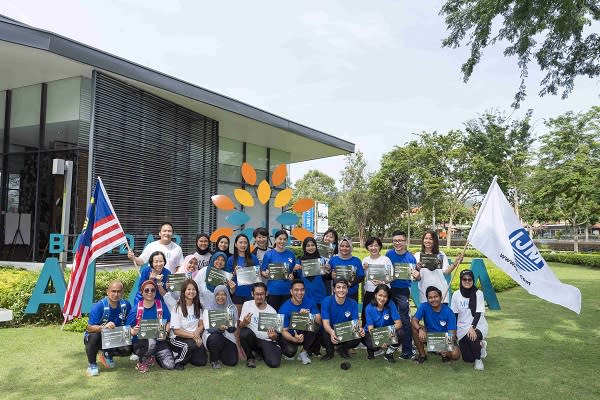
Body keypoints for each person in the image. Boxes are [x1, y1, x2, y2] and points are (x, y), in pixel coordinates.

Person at [84, 281, 132, 376]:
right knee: (93, 336)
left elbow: (130, 322)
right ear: (107, 292)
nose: (116, 294)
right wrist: (103, 327)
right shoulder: (99, 306)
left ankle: (107, 353)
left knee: (128, 349)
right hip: (98, 338)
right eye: (113, 291)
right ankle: (92, 364)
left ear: (122, 293)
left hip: (115, 337)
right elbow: (89, 328)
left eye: (119, 291)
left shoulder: (126, 305)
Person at [127, 280, 175, 372]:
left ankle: (153, 356)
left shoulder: (160, 305)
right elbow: (128, 329)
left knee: (170, 365)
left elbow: (168, 322)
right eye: (146, 290)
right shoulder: (137, 308)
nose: (150, 292)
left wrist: (166, 331)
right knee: (151, 341)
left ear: (155, 292)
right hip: (142, 343)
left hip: (159, 341)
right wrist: (133, 331)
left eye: (153, 290)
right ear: (142, 292)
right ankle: (141, 362)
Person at [385, 230, 417, 360]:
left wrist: (417, 274)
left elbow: (415, 276)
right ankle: (389, 346)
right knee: (388, 318)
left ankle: (407, 350)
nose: (397, 243)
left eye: (400, 240)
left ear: (405, 241)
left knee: (404, 320)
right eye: (395, 241)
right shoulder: (388, 254)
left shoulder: (411, 258)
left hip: (403, 291)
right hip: (388, 290)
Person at [411, 286, 461, 364]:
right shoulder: (424, 306)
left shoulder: (448, 311)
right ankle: (422, 355)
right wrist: (420, 329)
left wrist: (444, 347)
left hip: (444, 338)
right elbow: (414, 320)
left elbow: (452, 333)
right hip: (430, 336)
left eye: (435, 297)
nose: (433, 299)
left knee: (455, 355)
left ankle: (445, 355)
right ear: (427, 299)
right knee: (414, 327)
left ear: (440, 298)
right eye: (430, 297)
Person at [451, 270, 488, 370]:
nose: (467, 281)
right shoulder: (456, 294)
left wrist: (472, 327)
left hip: (478, 325)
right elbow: (454, 314)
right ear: (461, 280)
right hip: (462, 327)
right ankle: (481, 345)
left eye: (470, 279)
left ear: (473, 280)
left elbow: (478, 313)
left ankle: (478, 360)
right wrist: (453, 331)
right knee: (467, 359)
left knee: (471, 336)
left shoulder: (478, 293)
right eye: (464, 279)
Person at [320, 278, 365, 361]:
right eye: (338, 287)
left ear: (347, 290)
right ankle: (330, 352)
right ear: (334, 289)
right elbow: (325, 323)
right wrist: (332, 332)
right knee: (322, 330)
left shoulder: (353, 303)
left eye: (344, 287)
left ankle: (343, 349)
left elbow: (356, 322)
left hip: (344, 331)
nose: (341, 290)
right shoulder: (327, 301)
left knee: (358, 335)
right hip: (330, 331)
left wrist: (360, 329)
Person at [239, 282, 282, 368]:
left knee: (274, 363)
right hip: (253, 338)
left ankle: (261, 352)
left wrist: (273, 336)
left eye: (262, 294)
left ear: (266, 294)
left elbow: (278, 334)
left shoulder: (272, 311)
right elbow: (240, 326)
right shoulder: (247, 305)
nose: (259, 297)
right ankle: (250, 358)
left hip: (266, 340)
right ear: (252, 294)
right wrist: (245, 322)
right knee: (244, 333)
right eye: (257, 294)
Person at [278, 279, 321, 365]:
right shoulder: (284, 308)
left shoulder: (310, 301)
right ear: (291, 291)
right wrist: (294, 339)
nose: (300, 292)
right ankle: (284, 349)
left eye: (302, 290)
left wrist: (309, 315)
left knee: (315, 326)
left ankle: (303, 352)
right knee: (290, 353)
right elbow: (283, 331)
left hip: (304, 333)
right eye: (296, 290)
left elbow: (319, 321)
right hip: (290, 335)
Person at [413, 230, 463, 304]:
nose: (428, 241)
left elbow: (446, 272)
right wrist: (417, 268)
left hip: (441, 292)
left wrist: (456, 262)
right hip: (425, 294)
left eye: (430, 239)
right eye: (426, 238)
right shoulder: (417, 255)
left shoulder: (440, 254)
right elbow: (416, 278)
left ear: (434, 241)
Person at [169, 279, 207, 370]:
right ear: (183, 291)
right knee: (189, 346)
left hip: (193, 337)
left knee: (201, 362)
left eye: (193, 289)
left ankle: (187, 354)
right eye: (188, 289)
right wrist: (194, 336)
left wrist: (197, 335)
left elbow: (201, 325)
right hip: (177, 338)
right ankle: (178, 361)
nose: (191, 292)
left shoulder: (198, 306)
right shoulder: (177, 308)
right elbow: (176, 331)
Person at [364, 284, 403, 363]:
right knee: (372, 345)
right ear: (375, 295)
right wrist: (380, 339)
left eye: (385, 296)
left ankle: (389, 353)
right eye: (380, 295)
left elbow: (399, 324)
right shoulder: (369, 307)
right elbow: (370, 329)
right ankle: (371, 350)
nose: (382, 298)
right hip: (372, 331)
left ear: (388, 297)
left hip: (387, 331)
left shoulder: (391, 304)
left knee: (401, 333)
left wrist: (385, 334)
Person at [202, 285, 239, 368]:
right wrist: (219, 328)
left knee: (232, 362)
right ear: (214, 295)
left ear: (227, 296)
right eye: (217, 294)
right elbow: (208, 328)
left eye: (223, 294)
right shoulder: (208, 309)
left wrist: (229, 326)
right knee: (215, 338)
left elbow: (233, 328)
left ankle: (220, 354)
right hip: (212, 336)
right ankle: (214, 360)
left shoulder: (232, 308)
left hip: (228, 337)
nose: (220, 297)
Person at [260, 229, 296, 310]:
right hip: (273, 291)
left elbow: (292, 271)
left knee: (285, 315)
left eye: (284, 239)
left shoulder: (291, 254)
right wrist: (265, 274)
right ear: (275, 239)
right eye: (280, 239)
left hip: (287, 291)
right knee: (274, 316)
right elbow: (263, 271)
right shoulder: (268, 255)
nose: (282, 241)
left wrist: (292, 275)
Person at [361, 236, 393, 327]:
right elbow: (361, 276)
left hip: (383, 293)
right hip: (370, 293)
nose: (373, 248)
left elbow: (391, 277)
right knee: (366, 316)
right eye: (371, 246)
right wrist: (363, 268)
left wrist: (382, 283)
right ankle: (366, 338)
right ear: (367, 247)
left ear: (380, 247)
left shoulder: (385, 260)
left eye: (376, 245)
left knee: (385, 317)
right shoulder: (365, 260)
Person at [228, 234, 260, 310]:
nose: (243, 245)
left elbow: (257, 277)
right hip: (237, 294)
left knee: (249, 318)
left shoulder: (253, 258)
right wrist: (234, 273)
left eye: (245, 243)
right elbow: (227, 279)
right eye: (241, 242)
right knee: (237, 318)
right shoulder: (231, 259)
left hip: (250, 294)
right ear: (236, 244)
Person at [329, 237, 365, 302]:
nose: (344, 248)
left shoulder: (356, 260)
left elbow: (361, 277)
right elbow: (327, 275)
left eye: (347, 246)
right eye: (342, 246)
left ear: (351, 247)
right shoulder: (333, 260)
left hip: (352, 293)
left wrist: (352, 283)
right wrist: (330, 275)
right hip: (337, 294)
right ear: (339, 247)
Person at [321, 228, 338, 295]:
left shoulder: (337, 255)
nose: (328, 238)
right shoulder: (316, 249)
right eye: (326, 236)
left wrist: (330, 269)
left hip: (329, 282)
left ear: (334, 240)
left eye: (331, 237)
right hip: (316, 280)